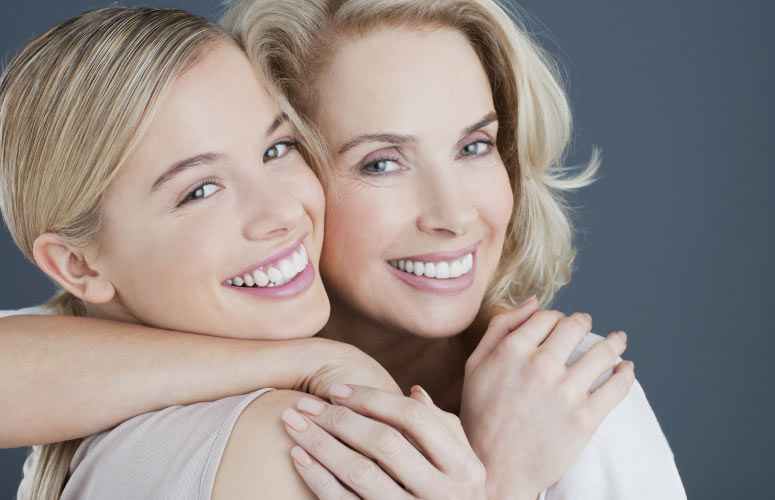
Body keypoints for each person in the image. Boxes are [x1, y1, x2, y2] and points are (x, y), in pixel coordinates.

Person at [0, 2, 657, 499]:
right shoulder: (296, 438)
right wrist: (502, 481)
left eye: (275, 150)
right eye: (379, 163)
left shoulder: (568, 391)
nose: (281, 210)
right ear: (78, 266)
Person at [223, 0, 686, 498]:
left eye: (474, 146)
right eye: (381, 163)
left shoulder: (576, 403)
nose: (454, 215)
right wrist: (501, 483)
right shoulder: (209, 422)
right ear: (283, 174)